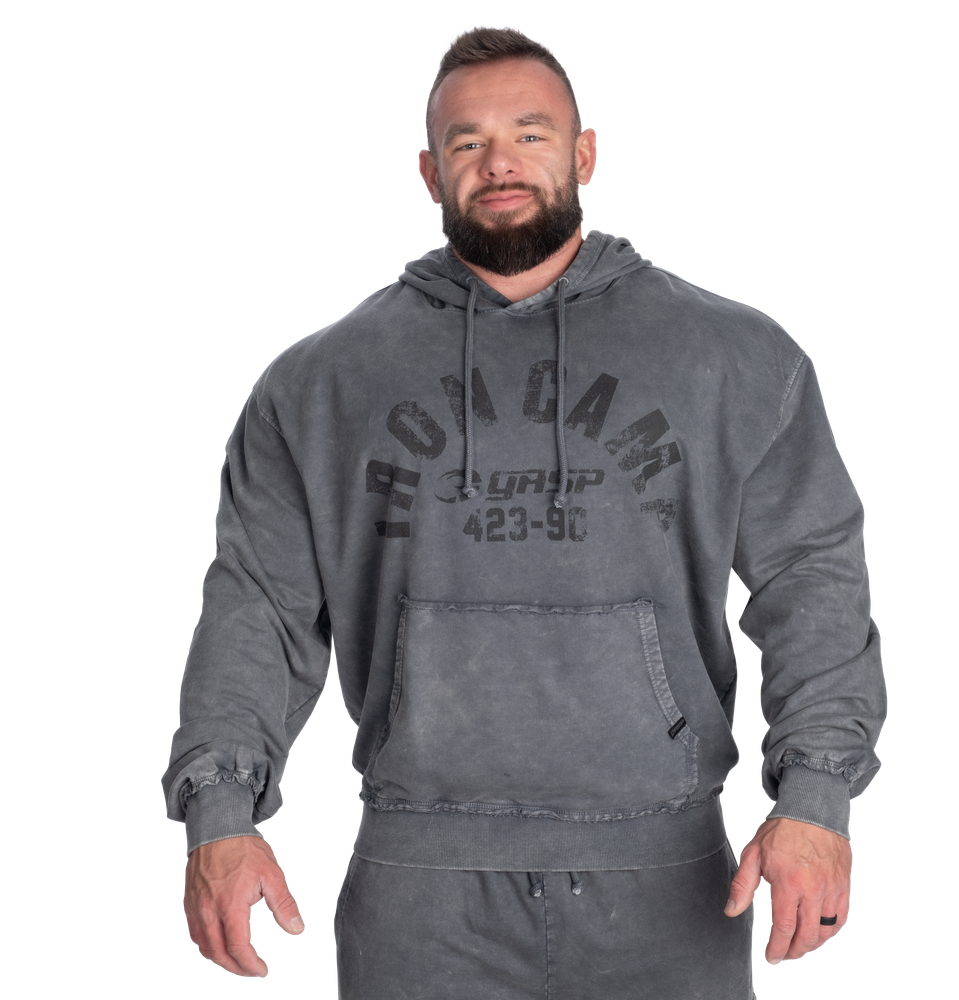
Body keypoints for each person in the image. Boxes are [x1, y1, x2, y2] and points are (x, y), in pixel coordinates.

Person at [162, 25, 887, 998]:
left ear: (584, 152)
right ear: (430, 172)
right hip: (422, 893)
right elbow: (259, 608)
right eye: (467, 142)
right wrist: (220, 814)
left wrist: (816, 797)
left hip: (666, 881)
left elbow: (813, 584)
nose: (498, 162)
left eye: (529, 134)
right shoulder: (320, 385)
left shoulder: (735, 360)